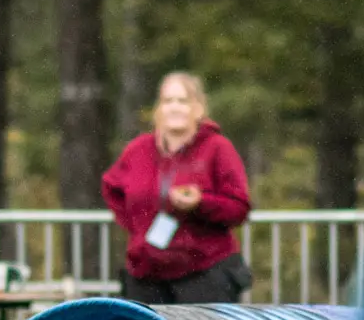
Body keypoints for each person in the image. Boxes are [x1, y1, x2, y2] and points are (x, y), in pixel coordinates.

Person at [102, 71, 253, 304]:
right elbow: (112, 187)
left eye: (183, 101)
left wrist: (201, 203)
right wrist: (138, 229)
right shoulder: (138, 149)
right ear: (158, 109)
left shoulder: (217, 148)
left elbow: (239, 207)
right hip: (146, 273)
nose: (174, 108)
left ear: (198, 108)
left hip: (204, 272)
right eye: (168, 101)